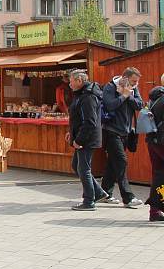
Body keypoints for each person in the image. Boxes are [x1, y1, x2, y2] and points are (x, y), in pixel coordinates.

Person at [100, 67, 144, 208]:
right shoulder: (110, 87)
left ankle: (104, 192)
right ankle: (128, 197)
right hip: (111, 131)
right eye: (133, 81)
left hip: (126, 132)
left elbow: (140, 105)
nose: (135, 84)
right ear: (124, 78)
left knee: (113, 163)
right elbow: (110, 105)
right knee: (121, 162)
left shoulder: (132, 88)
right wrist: (123, 96)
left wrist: (129, 95)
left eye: (136, 82)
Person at [66, 70, 109, 211]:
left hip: (87, 139)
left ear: (79, 81)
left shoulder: (88, 97)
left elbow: (89, 122)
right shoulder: (81, 95)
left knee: (83, 168)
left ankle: (89, 201)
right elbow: (77, 118)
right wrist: (71, 133)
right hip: (83, 137)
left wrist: (79, 139)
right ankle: (98, 193)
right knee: (76, 165)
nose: (69, 84)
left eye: (71, 81)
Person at [145, 78, 164, 222]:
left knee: (159, 174)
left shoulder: (155, 99)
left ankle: (155, 211)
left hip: (153, 141)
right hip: (161, 141)